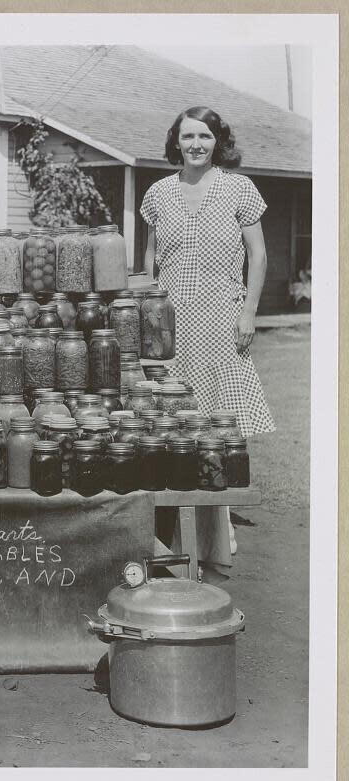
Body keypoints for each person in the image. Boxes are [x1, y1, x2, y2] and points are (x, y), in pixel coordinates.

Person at [140, 106, 276, 558]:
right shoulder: (158, 194)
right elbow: (148, 268)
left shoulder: (240, 188)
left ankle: (215, 541)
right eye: (187, 137)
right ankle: (166, 540)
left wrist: (249, 312)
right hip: (170, 327)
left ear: (218, 141)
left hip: (222, 318)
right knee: (172, 423)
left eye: (205, 136)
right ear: (175, 143)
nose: (196, 144)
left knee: (217, 426)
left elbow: (258, 255)